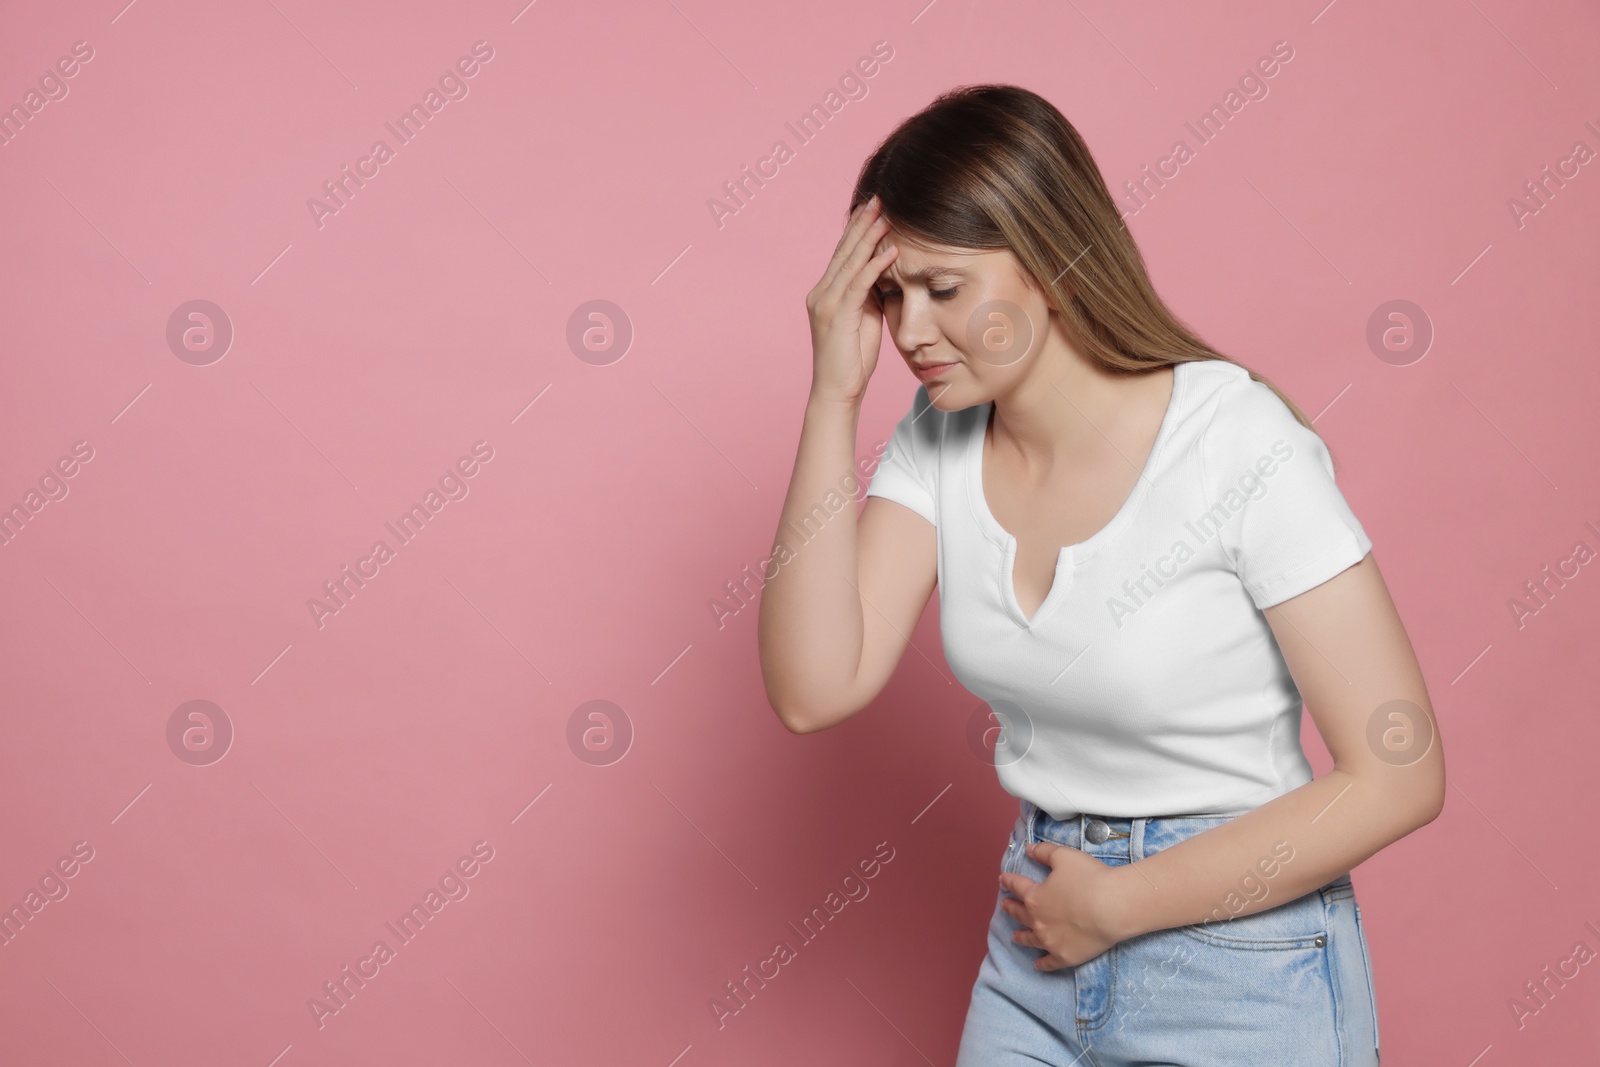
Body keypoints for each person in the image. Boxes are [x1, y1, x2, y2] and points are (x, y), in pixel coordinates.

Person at [756, 84, 1443, 1065]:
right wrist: (832, 392)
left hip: (1239, 957)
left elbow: (1402, 771)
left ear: (1049, 260)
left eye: (942, 290)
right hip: (1037, 936)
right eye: (886, 294)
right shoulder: (936, 443)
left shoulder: (1232, 439)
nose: (907, 332)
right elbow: (813, 685)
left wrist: (1120, 901)